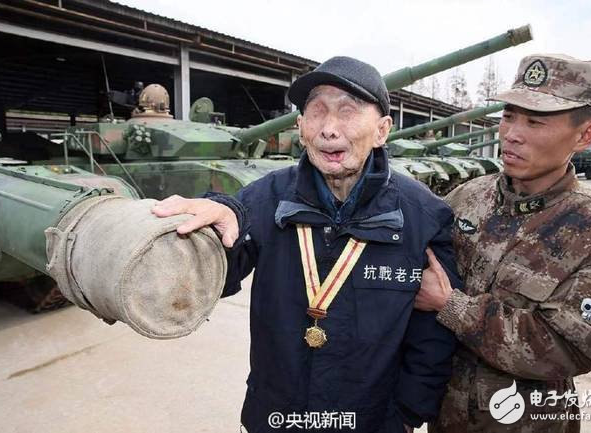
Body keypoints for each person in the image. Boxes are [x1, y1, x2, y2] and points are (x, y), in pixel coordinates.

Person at [152, 57, 458, 432]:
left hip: (372, 420)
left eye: (347, 111)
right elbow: (215, 270)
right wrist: (209, 231)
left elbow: (433, 340)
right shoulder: (267, 198)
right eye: (316, 112)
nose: (329, 129)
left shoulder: (423, 216)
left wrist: (406, 415)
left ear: (382, 130)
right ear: (300, 127)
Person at [414, 54, 591, 432]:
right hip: (443, 416)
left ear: (586, 135)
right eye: (508, 116)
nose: (512, 134)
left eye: (535, 121)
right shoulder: (468, 196)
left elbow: (564, 351)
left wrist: (451, 305)